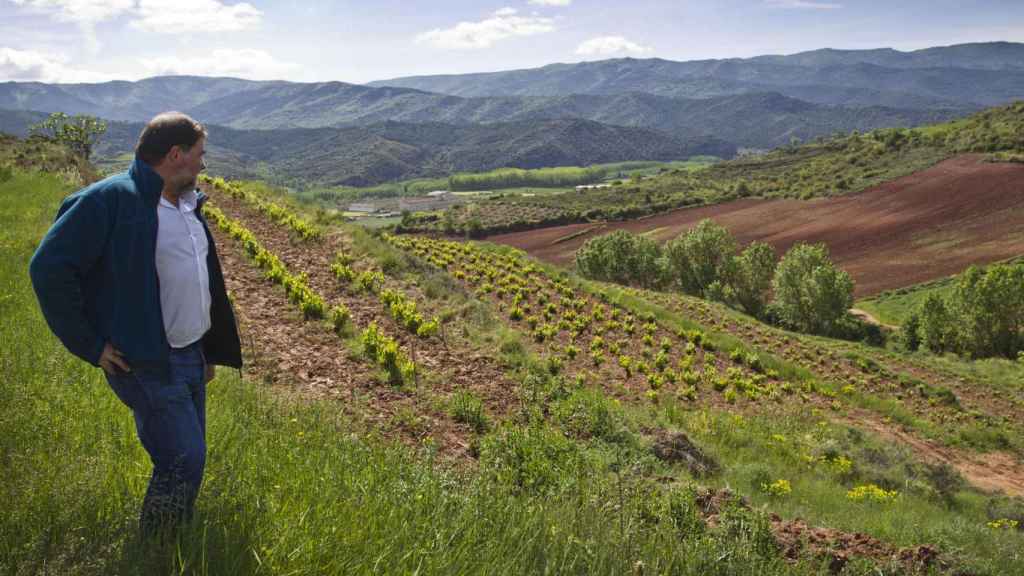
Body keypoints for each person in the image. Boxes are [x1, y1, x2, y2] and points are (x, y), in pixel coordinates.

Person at [29, 111, 242, 535]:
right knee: (183, 457)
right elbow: (48, 269)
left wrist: (208, 350)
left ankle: (175, 532)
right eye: (200, 155)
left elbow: (199, 280)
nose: (204, 165)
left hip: (190, 354)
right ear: (176, 154)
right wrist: (90, 344)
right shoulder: (109, 201)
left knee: (187, 454)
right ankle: (159, 545)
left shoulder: (186, 203)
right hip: (146, 358)